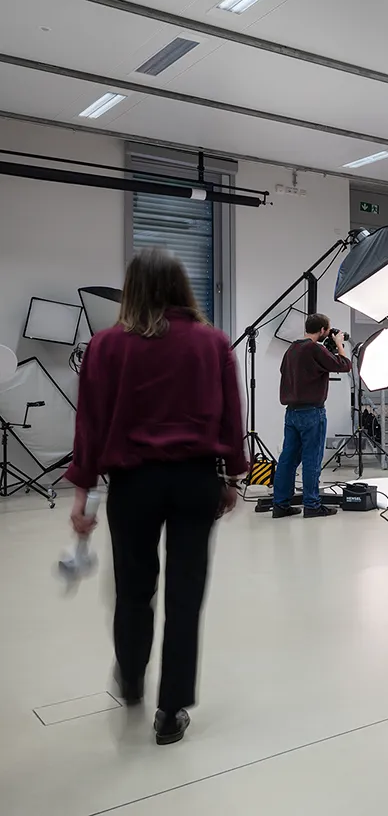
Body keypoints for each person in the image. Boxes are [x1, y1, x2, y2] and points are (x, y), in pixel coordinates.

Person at [65, 248, 246, 745]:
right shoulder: (212, 344)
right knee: (186, 597)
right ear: (182, 288)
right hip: (194, 482)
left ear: (132, 290)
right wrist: (232, 479)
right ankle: (170, 713)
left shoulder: (105, 346)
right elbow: (232, 420)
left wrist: (82, 495)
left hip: (133, 485)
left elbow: (90, 426)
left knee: (132, 590)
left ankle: (130, 679)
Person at [272, 313, 352, 518]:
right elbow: (344, 365)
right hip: (312, 413)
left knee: (287, 460)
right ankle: (312, 505)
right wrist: (340, 344)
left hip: (291, 412)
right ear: (323, 330)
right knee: (311, 459)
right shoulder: (315, 348)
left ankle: (280, 505)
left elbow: (285, 371)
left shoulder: (292, 349)